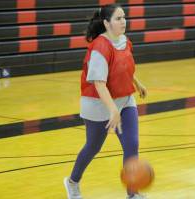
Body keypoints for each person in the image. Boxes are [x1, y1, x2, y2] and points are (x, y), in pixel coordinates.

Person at [64, 4, 148, 199]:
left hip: (125, 99)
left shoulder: (125, 41)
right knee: (93, 146)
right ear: (106, 23)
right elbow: (99, 84)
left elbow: (125, 67)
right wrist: (112, 110)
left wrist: (137, 83)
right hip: (97, 104)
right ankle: (72, 182)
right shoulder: (100, 48)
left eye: (124, 17)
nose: (123, 21)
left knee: (131, 145)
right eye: (118, 18)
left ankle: (132, 193)